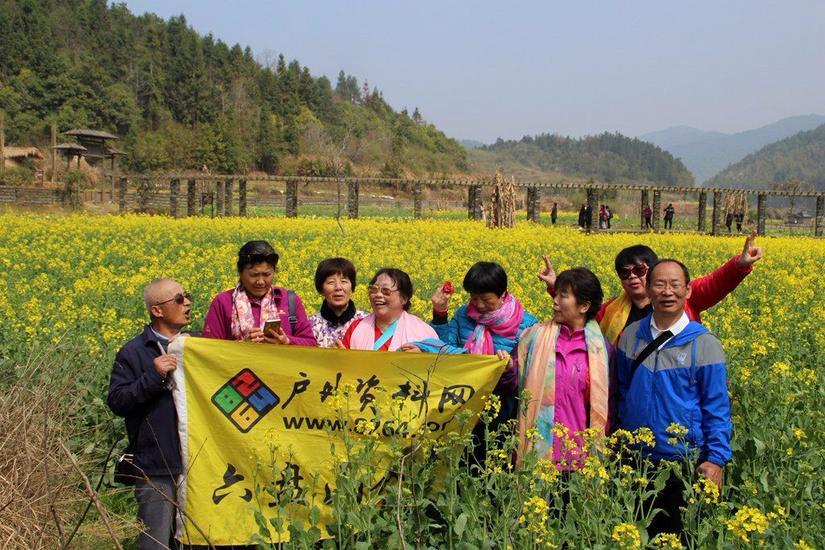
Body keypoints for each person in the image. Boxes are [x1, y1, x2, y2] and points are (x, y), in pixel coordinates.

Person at [615, 259, 731, 535]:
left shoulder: (705, 345)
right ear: (648, 288)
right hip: (637, 459)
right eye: (660, 284)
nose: (668, 291)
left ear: (688, 291)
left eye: (675, 285)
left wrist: (715, 459)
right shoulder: (631, 335)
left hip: (684, 463)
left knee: (681, 536)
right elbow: (621, 392)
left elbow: (717, 408)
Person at [404, 262, 538, 455]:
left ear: (503, 294)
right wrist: (439, 316)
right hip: (463, 399)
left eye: (486, 299)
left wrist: (509, 369)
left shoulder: (526, 325)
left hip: (503, 408)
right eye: (474, 298)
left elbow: (528, 374)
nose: (479, 305)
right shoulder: (463, 315)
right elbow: (448, 349)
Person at [539, 230, 763, 346]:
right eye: (625, 273)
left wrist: (740, 265)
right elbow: (580, 311)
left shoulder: (680, 298)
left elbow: (714, 283)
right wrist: (557, 287)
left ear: (653, 270)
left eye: (639, 270)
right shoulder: (612, 310)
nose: (632, 277)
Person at [108, 278, 192, 549]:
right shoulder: (133, 352)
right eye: (179, 299)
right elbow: (118, 401)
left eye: (187, 296)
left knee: (196, 540)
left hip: (199, 463)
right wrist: (153, 376)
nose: (188, 303)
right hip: (156, 463)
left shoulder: (198, 345)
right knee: (155, 540)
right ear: (157, 310)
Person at [516, 267, 611, 469]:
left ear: (584, 306)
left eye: (563, 296)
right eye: (556, 293)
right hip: (538, 455)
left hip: (581, 459)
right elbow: (515, 381)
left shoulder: (601, 350)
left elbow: (610, 404)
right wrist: (505, 367)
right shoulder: (535, 338)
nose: (555, 301)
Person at [202, 240, 316, 345]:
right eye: (253, 275)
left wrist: (286, 341)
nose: (260, 282)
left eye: (267, 275)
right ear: (240, 273)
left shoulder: (289, 300)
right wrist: (241, 345)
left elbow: (311, 343)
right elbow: (209, 349)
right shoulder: (223, 302)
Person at [339, 268, 437, 350]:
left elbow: (439, 363)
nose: (378, 295)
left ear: (404, 299)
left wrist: (423, 352)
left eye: (386, 291)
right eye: (373, 290)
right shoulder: (356, 328)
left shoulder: (422, 331)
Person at [308, 257, 368, 347]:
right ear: (321, 289)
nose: (338, 287)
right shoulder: (310, 325)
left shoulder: (367, 322)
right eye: (331, 282)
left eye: (344, 281)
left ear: (352, 287)